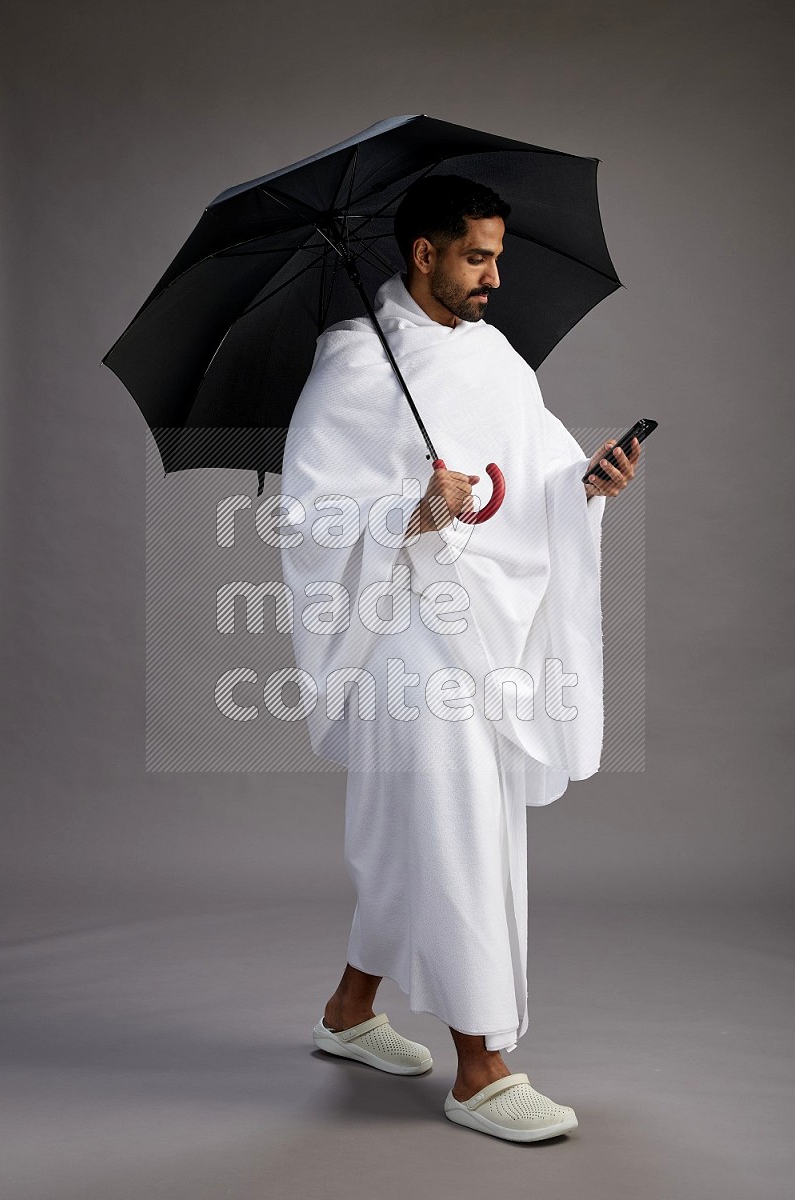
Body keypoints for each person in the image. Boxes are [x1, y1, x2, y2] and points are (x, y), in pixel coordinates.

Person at [278, 174, 640, 1142]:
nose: (490, 277)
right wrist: (410, 507)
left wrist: (585, 484)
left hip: (480, 623)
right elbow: (308, 518)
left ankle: (348, 1014)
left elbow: (534, 477)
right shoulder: (354, 363)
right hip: (402, 635)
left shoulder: (495, 358)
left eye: (496, 258)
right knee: (457, 828)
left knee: (415, 832)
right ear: (422, 253)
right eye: (474, 257)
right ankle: (480, 1067)